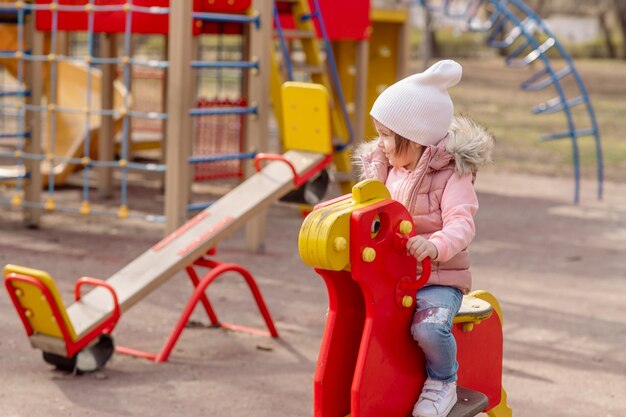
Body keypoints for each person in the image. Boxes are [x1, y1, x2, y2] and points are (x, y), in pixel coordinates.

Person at [354, 59, 494, 417]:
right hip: (393, 276)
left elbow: (462, 225)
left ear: (415, 137)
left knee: (429, 328)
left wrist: (434, 247)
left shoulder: (452, 175)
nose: (380, 144)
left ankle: (443, 381)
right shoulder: (386, 170)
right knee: (359, 317)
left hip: (438, 276)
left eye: (387, 136)